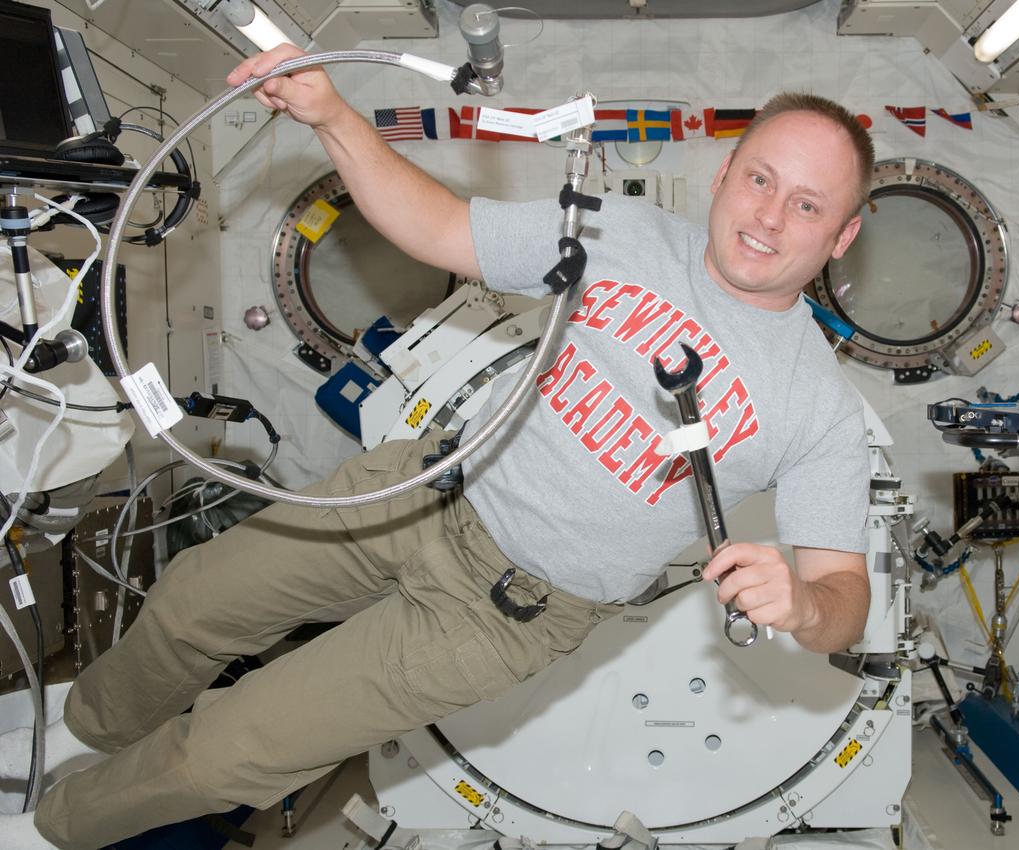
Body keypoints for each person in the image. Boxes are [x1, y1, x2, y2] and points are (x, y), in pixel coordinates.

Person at [0, 44, 875, 849]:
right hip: (421, 490)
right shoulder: (622, 233)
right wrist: (335, 118)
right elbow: (442, 229)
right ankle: (82, 728)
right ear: (726, 173)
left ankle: (44, 830)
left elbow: (847, 600)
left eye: (808, 205)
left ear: (842, 236)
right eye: (761, 180)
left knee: (232, 749)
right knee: (194, 601)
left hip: (501, 612)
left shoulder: (819, 408)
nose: (769, 216)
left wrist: (801, 604)